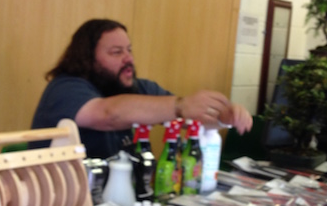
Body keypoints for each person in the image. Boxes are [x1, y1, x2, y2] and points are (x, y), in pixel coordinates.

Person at [31, 19, 252, 158]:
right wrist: (180, 105)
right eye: (117, 52)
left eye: (129, 50)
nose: (128, 59)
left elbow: (190, 119)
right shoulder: (65, 88)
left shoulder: (139, 88)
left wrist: (224, 118)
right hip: (63, 205)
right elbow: (108, 114)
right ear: (87, 59)